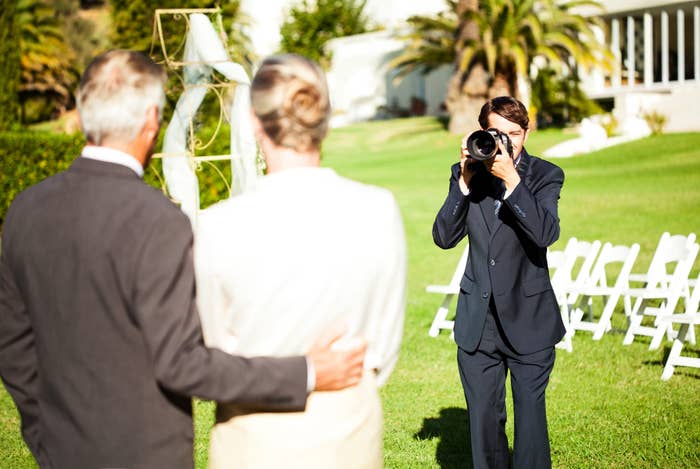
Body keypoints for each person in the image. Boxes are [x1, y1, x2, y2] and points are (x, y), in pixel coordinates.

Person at [0, 50, 366, 469]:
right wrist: (307, 372)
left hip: (59, 453)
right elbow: (181, 364)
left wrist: (44, 436)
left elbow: (12, 346)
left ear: (84, 116)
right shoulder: (158, 221)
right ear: (152, 120)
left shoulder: (25, 209)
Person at [195, 54, 407, 469]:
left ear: (256, 123)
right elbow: (384, 343)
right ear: (324, 121)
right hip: (347, 427)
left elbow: (214, 350)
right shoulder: (378, 209)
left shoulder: (216, 225)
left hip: (253, 435)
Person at [432, 96, 565, 469]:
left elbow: (545, 233)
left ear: (526, 132)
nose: (506, 141)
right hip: (478, 322)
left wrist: (512, 180)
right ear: (481, 132)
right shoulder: (468, 171)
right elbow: (443, 237)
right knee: (484, 427)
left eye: (514, 133)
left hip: (529, 317)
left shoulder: (545, 175)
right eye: (497, 132)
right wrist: (463, 182)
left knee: (530, 426)